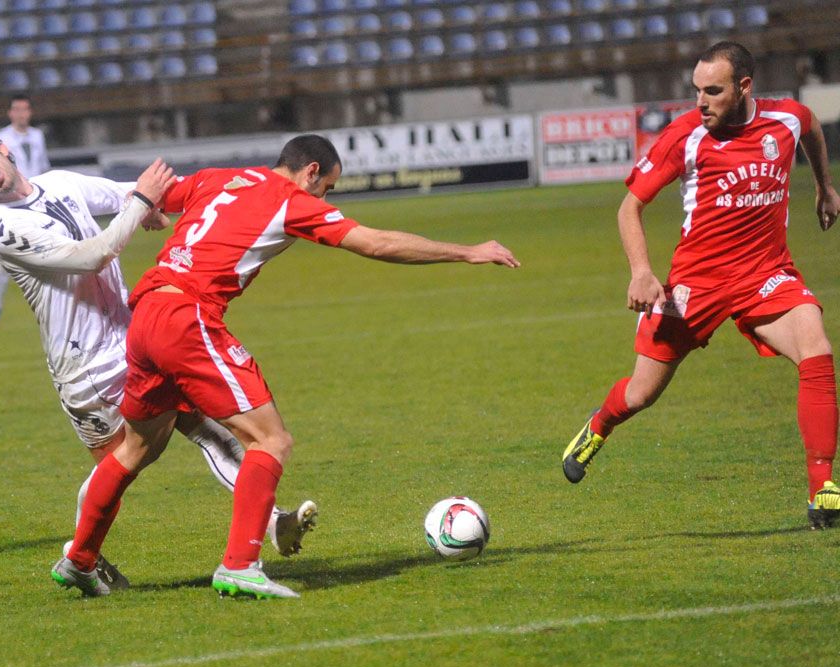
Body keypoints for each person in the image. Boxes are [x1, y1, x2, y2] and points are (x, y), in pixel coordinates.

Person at [54, 134, 520, 599]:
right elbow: (375, 243)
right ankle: (240, 565)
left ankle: (79, 559)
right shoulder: (291, 200)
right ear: (311, 171)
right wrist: (468, 251)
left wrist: (149, 210)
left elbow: (154, 198)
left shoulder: (221, 178)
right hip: (186, 318)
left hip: (147, 313)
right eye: (328, 187)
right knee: (270, 439)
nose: (324, 198)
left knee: (135, 450)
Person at [0, 118, 318, 589]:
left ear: (2, 150)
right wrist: (140, 203)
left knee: (203, 426)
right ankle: (79, 558)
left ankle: (266, 523)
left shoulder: (57, 183)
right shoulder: (5, 230)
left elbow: (120, 193)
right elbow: (91, 254)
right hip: (87, 368)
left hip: (135, 338)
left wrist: (151, 202)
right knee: (118, 465)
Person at [561, 42, 840, 529]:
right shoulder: (685, 136)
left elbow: (812, 126)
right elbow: (630, 207)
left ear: (744, 88)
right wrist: (642, 272)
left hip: (766, 275)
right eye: (696, 91)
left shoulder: (786, 121)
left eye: (713, 91)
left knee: (816, 348)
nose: (701, 101)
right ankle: (599, 425)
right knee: (642, 394)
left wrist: (823, 185)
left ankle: (823, 488)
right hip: (694, 287)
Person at [0, 95, 51, 328]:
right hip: (13, 203)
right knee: (5, 258)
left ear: (29, 112)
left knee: (49, 251)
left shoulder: (37, 136)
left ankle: (49, 305)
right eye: (17, 110)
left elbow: (43, 167)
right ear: (10, 113)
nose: (21, 114)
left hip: (37, 201)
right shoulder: (1, 139)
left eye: (25, 109)